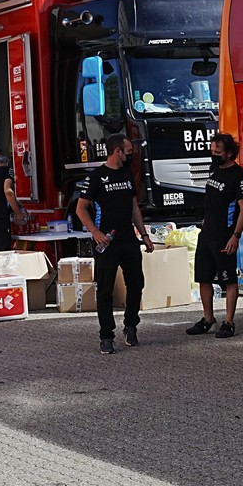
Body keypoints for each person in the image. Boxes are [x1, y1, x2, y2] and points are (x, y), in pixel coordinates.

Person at [76, 134, 155, 354]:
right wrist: (95, 232)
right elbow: (80, 209)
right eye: (128, 150)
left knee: (137, 283)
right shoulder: (96, 177)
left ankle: (131, 325)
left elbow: (134, 208)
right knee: (105, 291)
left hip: (129, 241)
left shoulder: (128, 174)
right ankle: (106, 336)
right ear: (117, 151)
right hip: (107, 243)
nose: (131, 154)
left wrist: (144, 235)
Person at [186, 133, 243, 339]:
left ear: (229, 153)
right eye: (212, 151)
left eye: (218, 152)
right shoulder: (214, 169)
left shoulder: (238, 176)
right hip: (207, 233)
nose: (214, 155)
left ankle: (229, 322)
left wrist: (235, 236)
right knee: (203, 278)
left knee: (228, 280)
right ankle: (207, 319)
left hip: (225, 234)